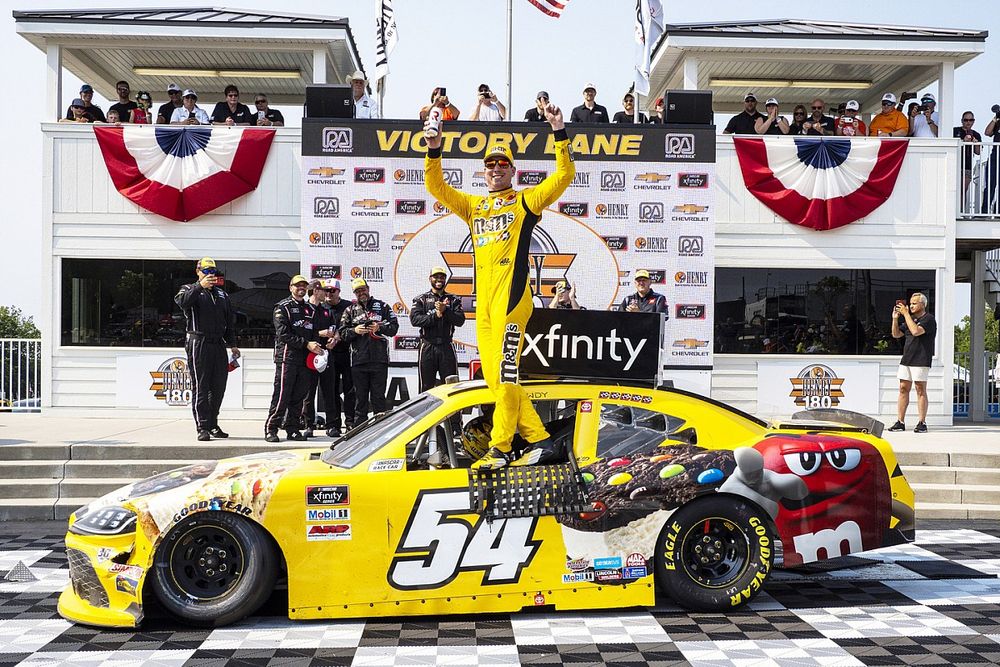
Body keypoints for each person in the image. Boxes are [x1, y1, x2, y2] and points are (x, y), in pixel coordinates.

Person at [423, 99, 573, 469]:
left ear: (512, 170)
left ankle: (501, 447)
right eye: (490, 164)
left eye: (502, 164)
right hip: (485, 307)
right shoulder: (473, 206)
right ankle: (540, 439)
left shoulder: (525, 202)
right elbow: (436, 186)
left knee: (505, 375)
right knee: (496, 379)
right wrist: (434, 149)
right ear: (484, 171)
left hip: (512, 301)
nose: (496, 169)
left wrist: (559, 133)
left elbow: (564, 175)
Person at [174, 258, 239, 441]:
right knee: (201, 386)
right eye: (206, 271)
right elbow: (182, 302)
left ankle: (213, 423)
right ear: (198, 271)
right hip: (198, 341)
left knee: (218, 387)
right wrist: (199, 286)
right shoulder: (188, 289)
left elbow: (229, 322)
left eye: (213, 271)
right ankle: (202, 426)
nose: (210, 274)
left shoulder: (222, 294)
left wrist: (233, 344)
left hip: (218, 343)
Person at [264, 275, 323, 442]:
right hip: (287, 358)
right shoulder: (282, 307)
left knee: (299, 396)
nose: (301, 288)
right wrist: (306, 344)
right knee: (282, 395)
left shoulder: (311, 309)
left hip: (305, 360)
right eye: (297, 285)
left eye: (303, 285)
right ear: (291, 287)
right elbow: (283, 334)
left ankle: (293, 428)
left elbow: (314, 333)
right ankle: (271, 428)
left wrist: (316, 347)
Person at [339, 278, 398, 425]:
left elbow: (394, 328)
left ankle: (381, 429)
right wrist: (355, 330)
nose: (361, 293)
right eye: (357, 291)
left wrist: (380, 327)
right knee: (360, 399)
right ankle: (360, 429)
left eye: (363, 289)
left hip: (379, 360)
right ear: (354, 293)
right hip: (359, 361)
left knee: (379, 398)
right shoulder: (350, 310)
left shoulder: (383, 306)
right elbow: (342, 333)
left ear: (368, 289)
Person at [410, 267, 466, 393]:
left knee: (452, 387)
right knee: (426, 387)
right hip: (427, 346)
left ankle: (453, 408)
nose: (439, 280)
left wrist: (445, 310)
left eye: (442, 277)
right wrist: (435, 316)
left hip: (446, 346)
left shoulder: (454, 299)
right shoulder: (421, 299)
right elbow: (415, 320)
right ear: (430, 279)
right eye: (436, 277)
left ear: (445, 279)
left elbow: (460, 320)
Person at [889, 292, 936, 433]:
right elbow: (896, 334)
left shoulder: (928, 319)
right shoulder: (911, 319)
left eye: (914, 303)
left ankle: (922, 422)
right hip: (907, 359)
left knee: (920, 389)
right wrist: (895, 319)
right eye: (910, 303)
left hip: (921, 359)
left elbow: (916, 331)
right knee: (903, 388)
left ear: (923, 304)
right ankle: (900, 421)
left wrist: (906, 314)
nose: (911, 306)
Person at [301, 280, 336, 438]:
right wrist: (320, 333)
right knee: (309, 393)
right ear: (315, 291)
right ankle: (309, 425)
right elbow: (302, 331)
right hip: (309, 355)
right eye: (324, 290)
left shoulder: (327, 310)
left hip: (325, 355)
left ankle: (332, 425)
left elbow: (334, 330)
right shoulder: (303, 309)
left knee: (329, 391)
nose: (326, 293)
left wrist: (333, 339)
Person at [323, 279, 355, 436]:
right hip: (328, 354)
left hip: (347, 353)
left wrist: (339, 337)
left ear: (338, 291)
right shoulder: (320, 307)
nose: (329, 294)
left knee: (350, 390)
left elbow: (353, 328)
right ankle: (333, 424)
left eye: (332, 291)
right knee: (331, 390)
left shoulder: (349, 306)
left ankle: (350, 423)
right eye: (326, 290)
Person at [954, 111, 982, 209]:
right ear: (962, 121)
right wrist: (963, 141)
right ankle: (953, 211)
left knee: (963, 190)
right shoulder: (954, 131)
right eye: (966, 120)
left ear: (974, 121)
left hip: (967, 166)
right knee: (953, 190)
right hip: (954, 164)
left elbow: (978, 152)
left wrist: (976, 143)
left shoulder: (976, 134)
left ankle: (960, 211)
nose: (968, 122)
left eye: (971, 120)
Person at [983, 106, 1000, 214]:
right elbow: (987, 132)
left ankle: (997, 212)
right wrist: (995, 117)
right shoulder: (998, 121)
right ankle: (985, 211)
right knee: (990, 184)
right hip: (995, 156)